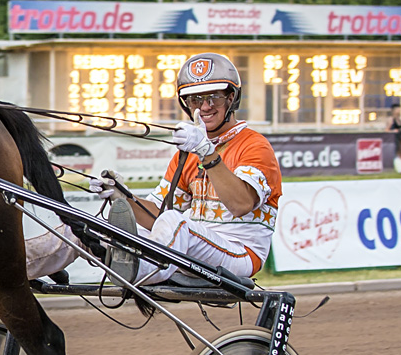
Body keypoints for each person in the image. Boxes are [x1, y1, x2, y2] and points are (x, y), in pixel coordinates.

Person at [88, 52, 283, 284]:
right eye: (195, 100)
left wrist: (206, 152)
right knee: (95, 225)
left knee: (175, 222)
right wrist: (123, 196)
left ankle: (138, 272)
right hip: (197, 246)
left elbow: (241, 205)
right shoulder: (191, 151)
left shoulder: (255, 145)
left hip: (241, 253)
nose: (205, 107)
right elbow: (155, 217)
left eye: (214, 98)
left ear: (231, 98)